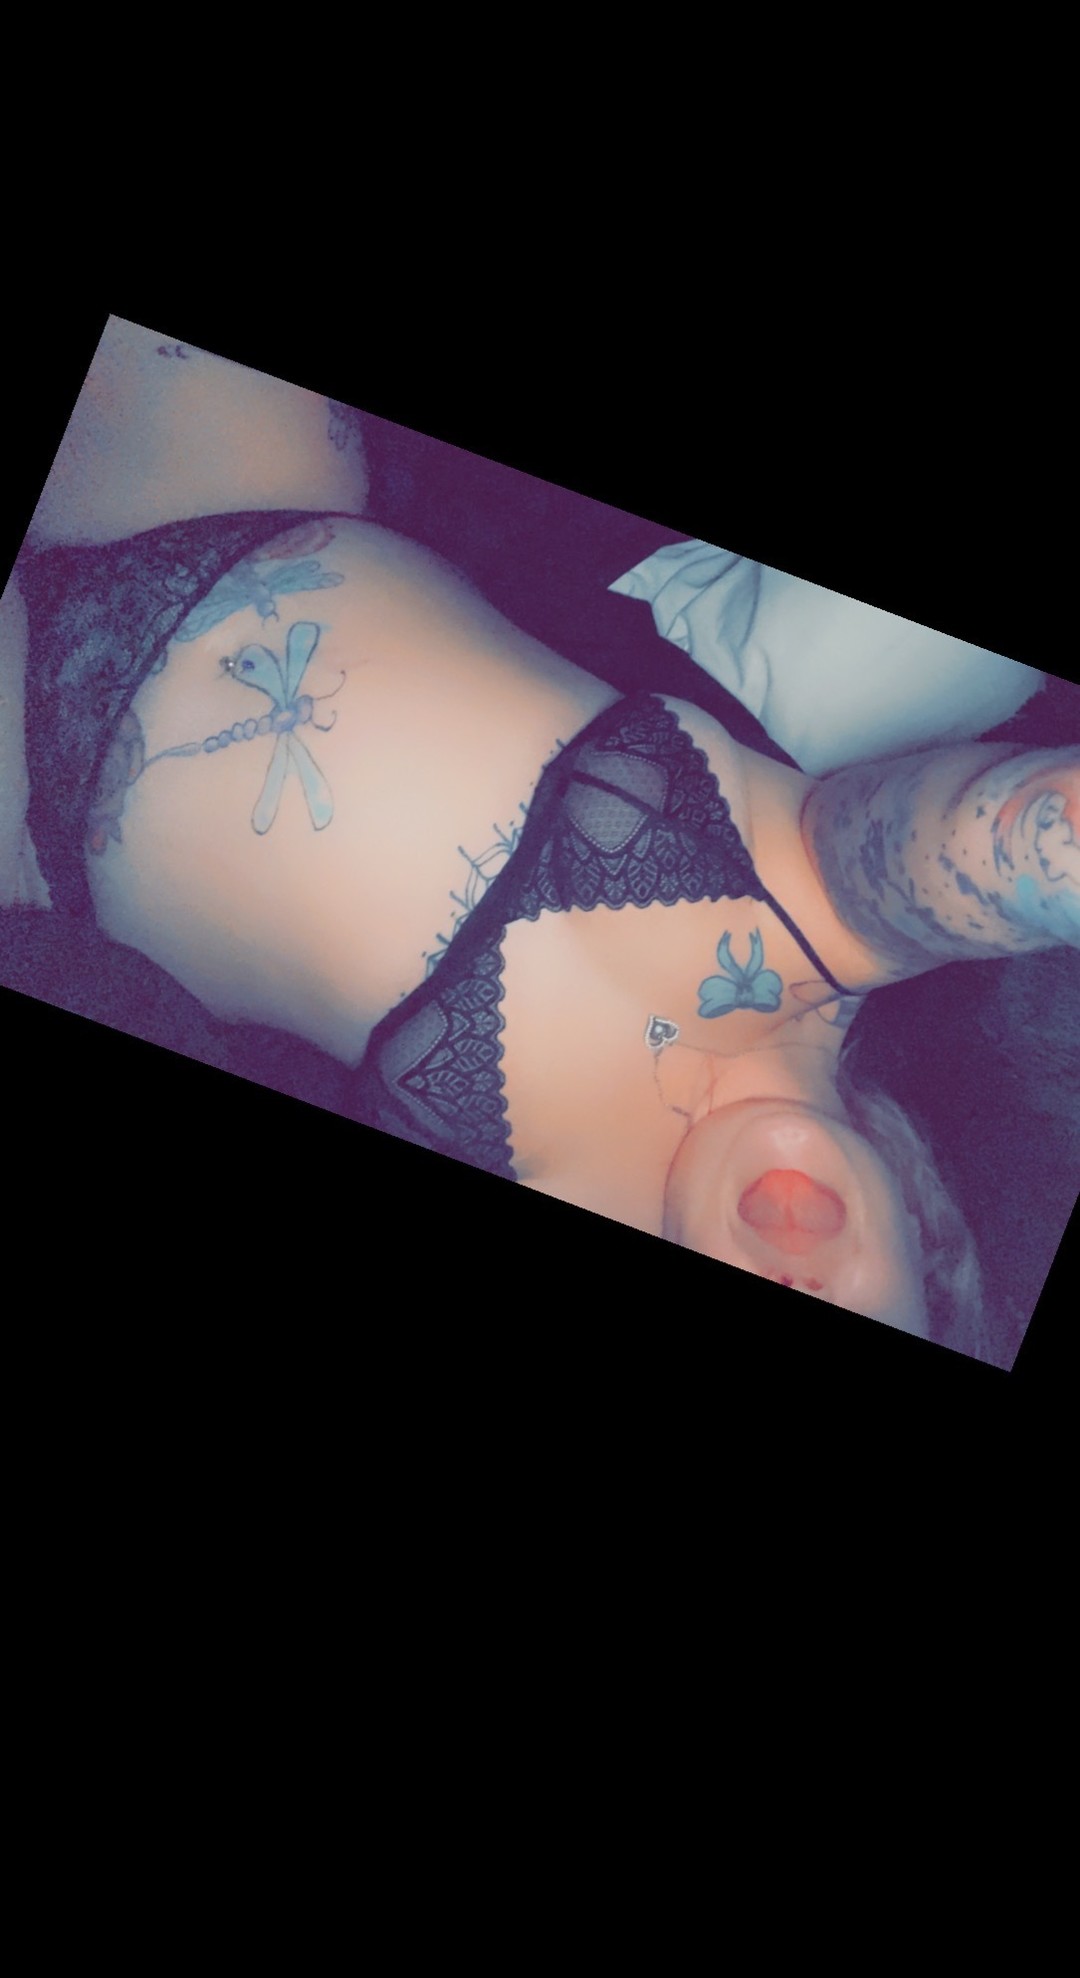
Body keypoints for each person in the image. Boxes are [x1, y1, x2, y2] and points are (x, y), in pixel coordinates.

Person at [3, 318, 1077, 1364]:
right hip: (230, 495)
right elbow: (992, 852)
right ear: (933, 1263)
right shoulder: (824, 940)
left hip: (29, 834)